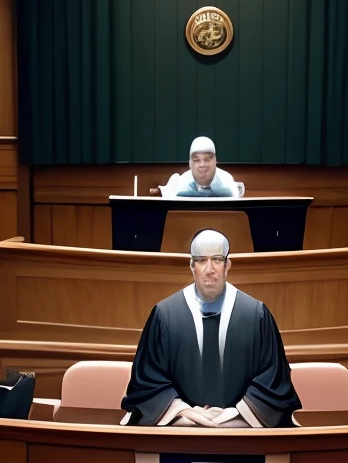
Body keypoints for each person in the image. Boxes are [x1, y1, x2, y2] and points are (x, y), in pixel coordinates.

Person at [121, 229, 300, 427]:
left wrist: (235, 415)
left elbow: (273, 381)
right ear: (191, 266)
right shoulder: (165, 315)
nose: (209, 269)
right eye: (201, 260)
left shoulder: (256, 315)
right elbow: (148, 381)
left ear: (227, 265)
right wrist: (183, 412)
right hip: (181, 429)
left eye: (216, 259)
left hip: (242, 430)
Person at [159, 137, 243, 198]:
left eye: (207, 159)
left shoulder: (227, 182)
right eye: (196, 160)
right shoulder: (181, 183)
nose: (202, 164)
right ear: (190, 163)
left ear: (215, 161)